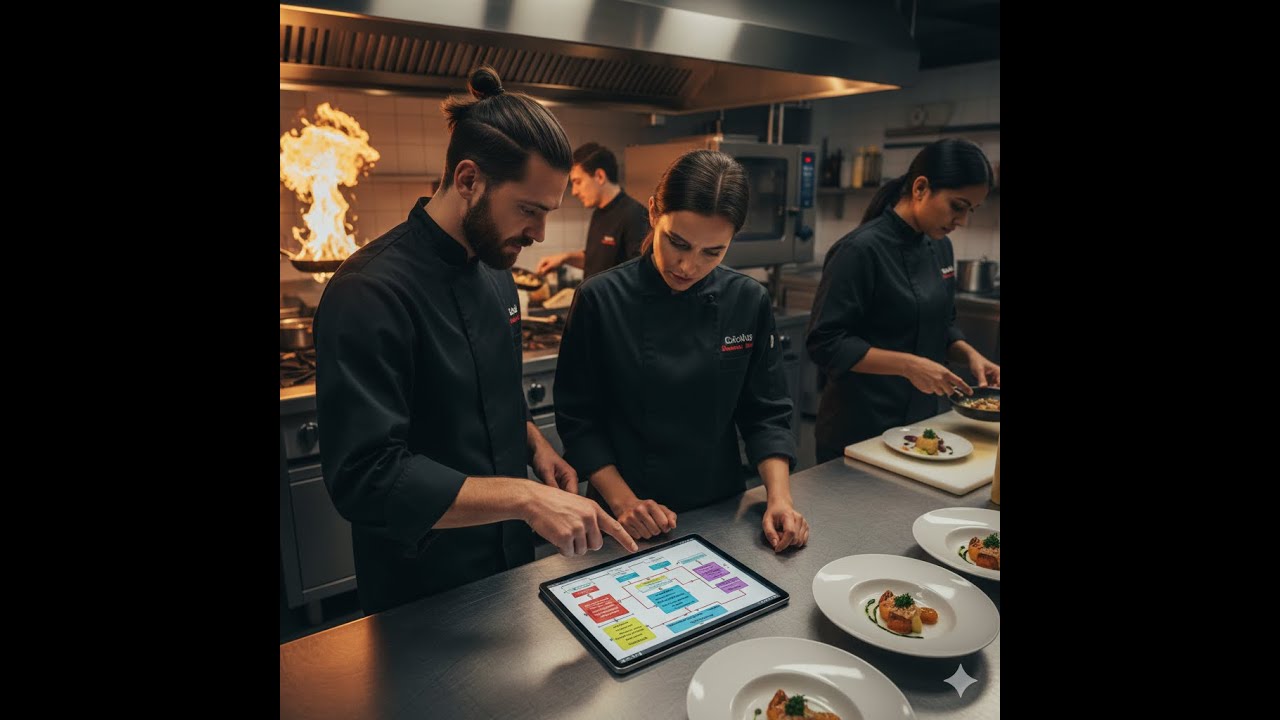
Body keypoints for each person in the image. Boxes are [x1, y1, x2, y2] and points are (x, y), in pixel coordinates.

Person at [313, 66, 637, 615]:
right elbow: (366, 478)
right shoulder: (368, 291)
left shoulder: (494, 269)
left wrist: (533, 445)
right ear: (468, 180)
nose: (538, 235)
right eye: (529, 210)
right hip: (420, 587)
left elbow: (490, 388)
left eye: (547, 213)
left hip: (510, 566)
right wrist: (527, 498)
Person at [554, 149, 810, 553]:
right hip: (622, 517)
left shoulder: (747, 300)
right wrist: (625, 503)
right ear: (654, 213)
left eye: (713, 252)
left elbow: (766, 412)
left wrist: (779, 499)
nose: (688, 266)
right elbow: (579, 421)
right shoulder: (600, 300)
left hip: (721, 507)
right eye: (678, 243)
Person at [805, 137, 1001, 464]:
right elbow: (825, 342)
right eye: (958, 206)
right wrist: (909, 365)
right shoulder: (860, 250)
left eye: (971, 210)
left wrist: (970, 356)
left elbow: (943, 322)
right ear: (921, 188)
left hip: (923, 426)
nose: (963, 221)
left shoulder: (940, 247)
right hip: (858, 430)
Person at [534, 142, 649, 280]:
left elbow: (640, 273)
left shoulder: (635, 214)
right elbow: (597, 262)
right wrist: (565, 258)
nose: (575, 191)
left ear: (600, 176)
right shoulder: (599, 212)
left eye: (578, 182)